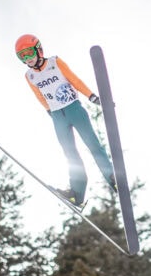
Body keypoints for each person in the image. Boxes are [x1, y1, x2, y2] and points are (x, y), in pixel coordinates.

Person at [15, 34, 116, 207]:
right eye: (22, 56)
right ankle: (76, 194)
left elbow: (73, 79)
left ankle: (112, 178)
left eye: (29, 53)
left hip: (73, 108)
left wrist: (92, 97)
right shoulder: (29, 76)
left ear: (38, 50)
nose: (28, 59)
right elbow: (39, 95)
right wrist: (49, 111)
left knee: (92, 144)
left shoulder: (55, 62)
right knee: (70, 154)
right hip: (57, 116)